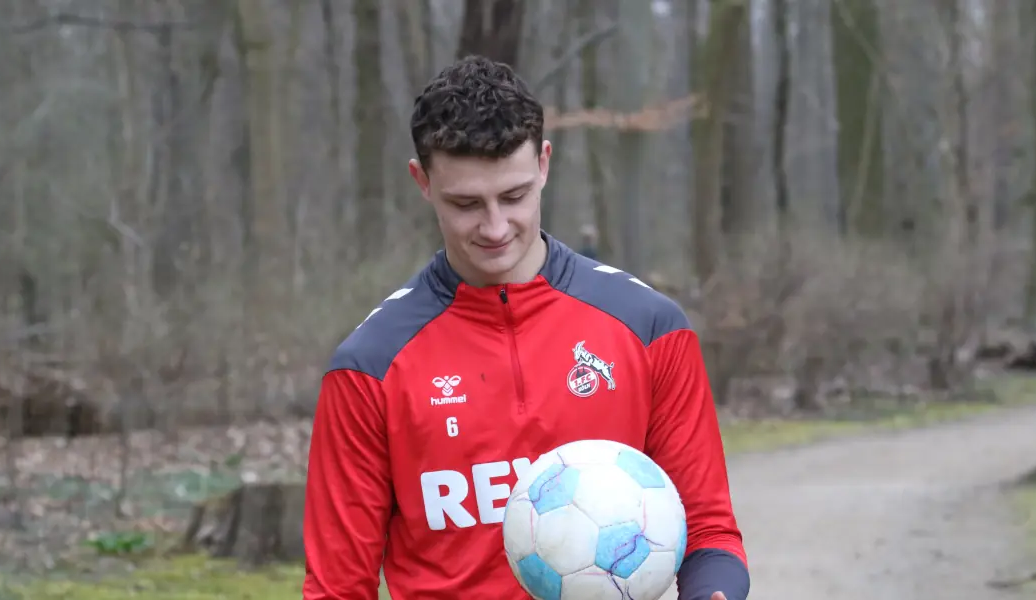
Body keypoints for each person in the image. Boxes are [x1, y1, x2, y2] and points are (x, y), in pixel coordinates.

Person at [302, 55, 749, 600]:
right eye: (466, 204)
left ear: (543, 164)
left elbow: (708, 530)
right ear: (421, 181)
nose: (494, 228)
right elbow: (336, 586)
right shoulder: (369, 367)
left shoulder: (650, 327)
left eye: (513, 197)